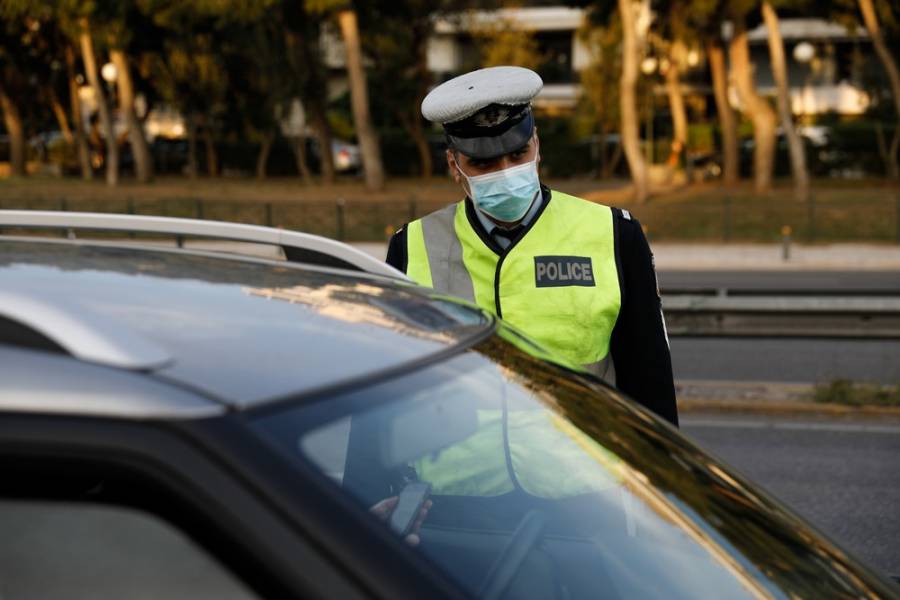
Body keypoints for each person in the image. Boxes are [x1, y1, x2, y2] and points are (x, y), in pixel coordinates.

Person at [386, 66, 677, 426]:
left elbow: (650, 381)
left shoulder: (616, 234)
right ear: (453, 165)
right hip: (458, 478)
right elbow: (393, 390)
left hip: (580, 475)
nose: (506, 171)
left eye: (518, 153)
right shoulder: (410, 246)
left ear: (537, 146)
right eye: (483, 162)